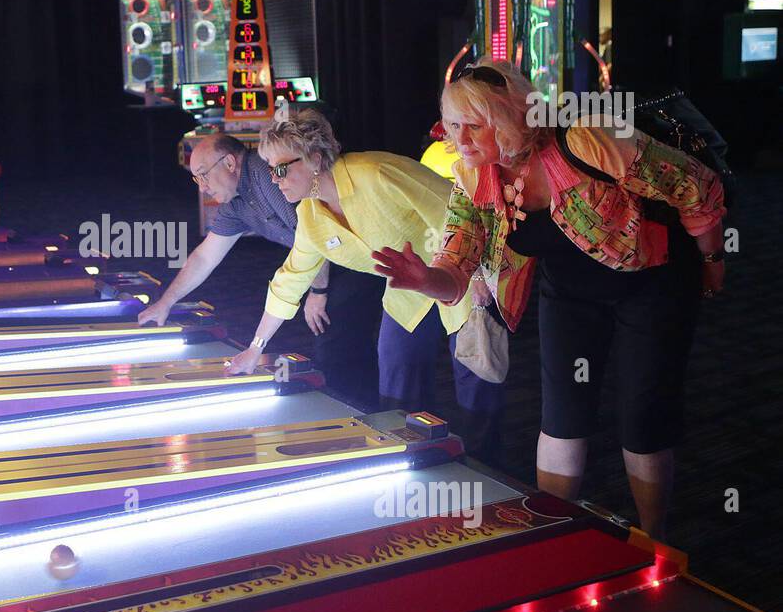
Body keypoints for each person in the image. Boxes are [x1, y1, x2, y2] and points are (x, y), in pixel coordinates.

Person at [372, 58, 726, 540]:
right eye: (453, 125)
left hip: (652, 280)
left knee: (643, 414)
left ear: (512, 120)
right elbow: (456, 268)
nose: (460, 139)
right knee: (561, 413)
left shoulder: (586, 140)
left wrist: (712, 258)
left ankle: (653, 537)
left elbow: (695, 185)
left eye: (475, 126)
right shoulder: (474, 175)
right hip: (570, 291)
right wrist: (424, 278)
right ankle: (553, 531)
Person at [223, 107, 504, 452]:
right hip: (409, 294)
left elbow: (457, 208)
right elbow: (289, 281)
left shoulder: (375, 173)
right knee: (398, 388)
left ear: (313, 158)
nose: (275, 180)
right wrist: (255, 349)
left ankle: (490, 473)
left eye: (281, 168)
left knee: (476, 383)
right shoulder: (311, 217)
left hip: (462, 275)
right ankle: (420, 461)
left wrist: (477, 273)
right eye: (270, 170)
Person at [138, 130, 384, 409]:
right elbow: (205, 257)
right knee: (343, 346)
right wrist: (166, 302)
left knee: (336, 349)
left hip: (352, 256)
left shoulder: (266, 176)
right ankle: (365, 412)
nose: (202, 186)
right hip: (325, 262)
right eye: (196, 178)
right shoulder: (236, 203)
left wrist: (318, 291)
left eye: (204, 174)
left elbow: (313, 233)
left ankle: (362, 419)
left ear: (229, 163)